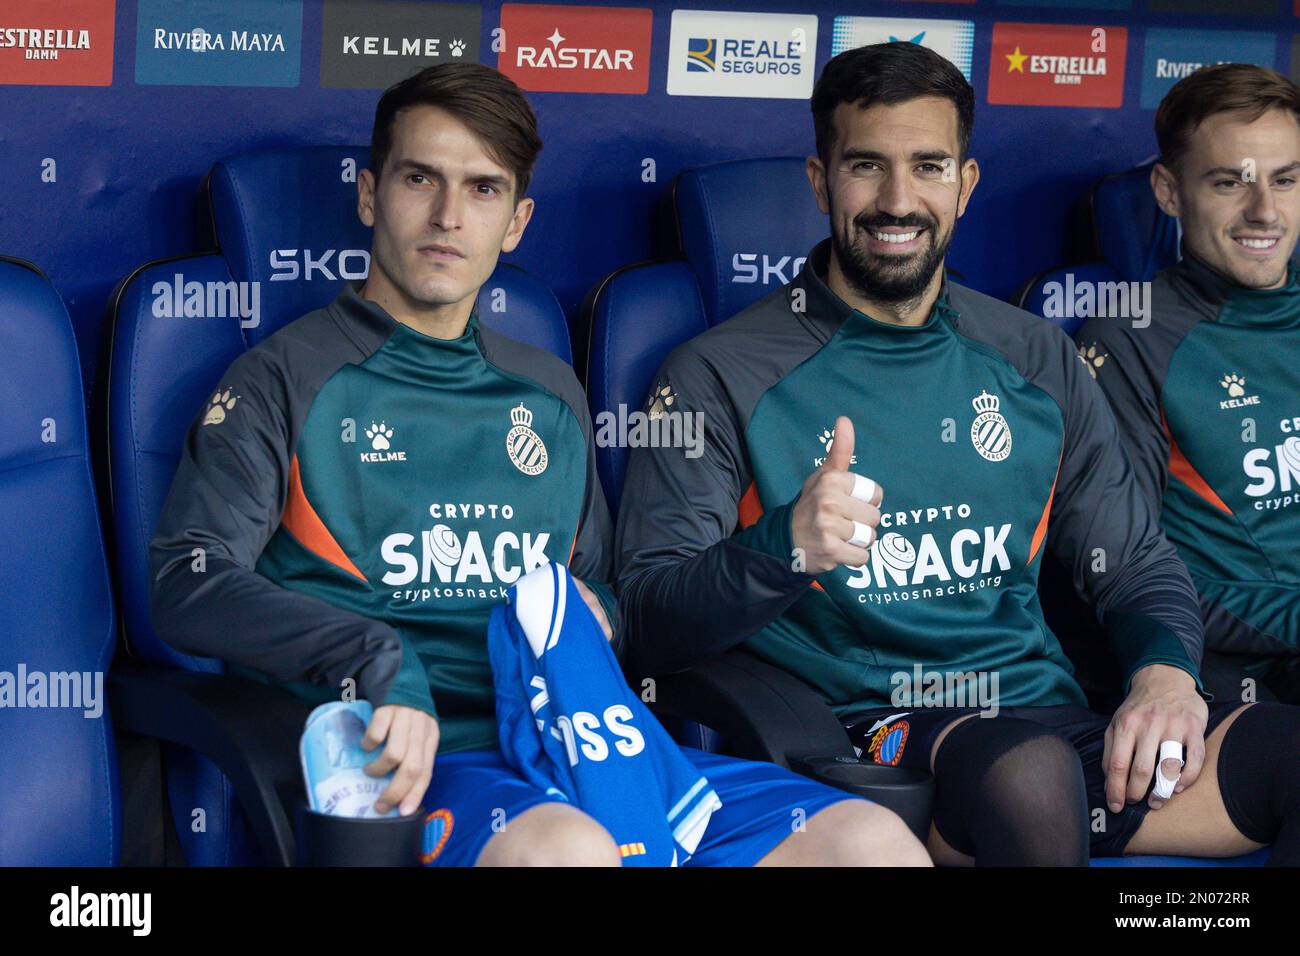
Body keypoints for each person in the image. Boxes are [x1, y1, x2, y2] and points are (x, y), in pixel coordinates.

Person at [149, 62, 926, 867]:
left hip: (588, 751)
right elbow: (185, 581)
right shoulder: (283, 377)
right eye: (422, 179)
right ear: (370, 195)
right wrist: (373, 657)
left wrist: (760, 554)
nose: (449, 216)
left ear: (516, 223)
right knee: (574, 852)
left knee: (870, 842)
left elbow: (610, 608)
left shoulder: (546, 389)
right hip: (418, 771)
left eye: (483, 190)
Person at [615, 42, 1300, 865]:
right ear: (819, 179)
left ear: (966, 185)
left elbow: (1134, 561)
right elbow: (646, 622)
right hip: (876, 741)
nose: (897, 200)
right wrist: (782, 548)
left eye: (929, 166)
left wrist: (1163, 675)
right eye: (866, 166)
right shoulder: (718, 371)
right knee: (1028, 775)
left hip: (1051, 722)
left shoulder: (1035, 355)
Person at [1076, 63, 1300, 704]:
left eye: (1285, 180)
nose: (1265, 211)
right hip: (1240, 676)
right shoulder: (1128, 335)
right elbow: (1129, 573)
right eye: (1231, 183)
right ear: (1169, 192)